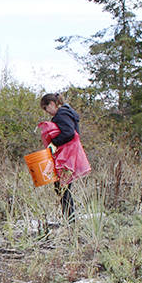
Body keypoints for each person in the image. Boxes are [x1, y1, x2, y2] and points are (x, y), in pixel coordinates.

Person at [38, 92, 89, 220]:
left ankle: (70, 220)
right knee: (63, 187)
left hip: (67, 156)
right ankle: (69, 218)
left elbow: (69, 133)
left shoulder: (61, 115)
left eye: (46, 108)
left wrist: (54, 143)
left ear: (52, 104)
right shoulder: (67, 113)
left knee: (62, 187)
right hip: (70, 154)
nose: (46, 111)